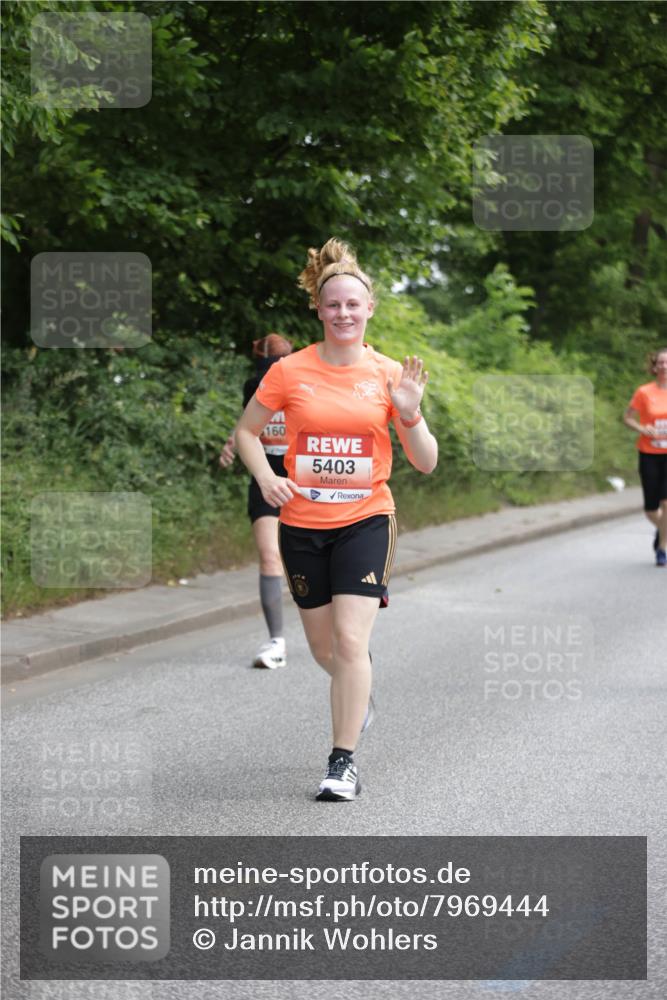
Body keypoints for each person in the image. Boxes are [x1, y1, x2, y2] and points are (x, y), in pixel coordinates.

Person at [235, 237, 438, 800]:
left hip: (367, 519)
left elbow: (424, 462)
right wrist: (265, 477)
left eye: (354, 305)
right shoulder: (289, 371)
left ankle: (341, 762)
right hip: (301, 522)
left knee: (350, 642)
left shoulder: (390, 373)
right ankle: (358, 689)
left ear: (369, 309)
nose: (344, 313)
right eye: (334, 305)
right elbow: (247, 432)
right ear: (319, 311)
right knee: (326, 651)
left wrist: (410, 412)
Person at [220, 333, 293, 666]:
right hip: (265, 478)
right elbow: (249, 422)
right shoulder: (253, 386)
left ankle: (340, 630)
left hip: (303, 478)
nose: (270, 375)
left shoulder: (303, 381)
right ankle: (276, 641)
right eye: (265, 370)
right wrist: (232, 441)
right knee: (268, 556)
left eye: (275, 368)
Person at [623, 346, 667, 566]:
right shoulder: (644, 392)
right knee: (651, 508)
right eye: (660, 362)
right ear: (654, 366)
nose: (664, 366)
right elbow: (627, 417)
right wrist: (641, 428)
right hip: (649, 453)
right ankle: (663, 531)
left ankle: (662, 549)